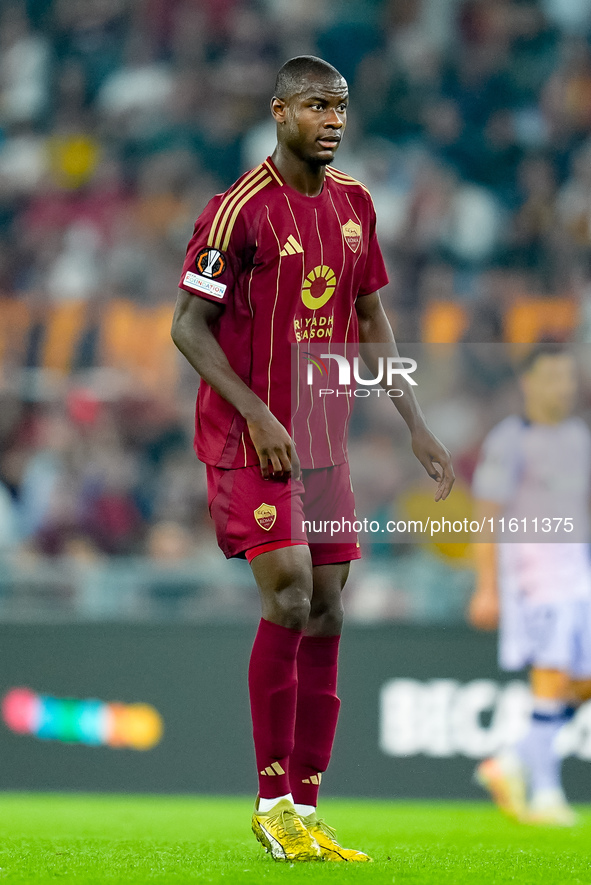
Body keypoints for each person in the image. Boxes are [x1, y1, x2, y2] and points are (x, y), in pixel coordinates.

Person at [172, 55, 454, 862]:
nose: (332, 119)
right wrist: (256, 409)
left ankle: (303, 802)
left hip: (322, 442)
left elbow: (371, 317)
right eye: (315, 106)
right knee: (291, 592)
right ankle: (267, 800)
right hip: (251, 438)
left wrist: (414, 420)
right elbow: (187, 326)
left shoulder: (356, 205)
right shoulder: (237, 211)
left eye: (339, 106)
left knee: (329, 605)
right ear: (278, 112)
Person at [469, 344, 591, 826]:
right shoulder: (510, 440)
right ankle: (545, 794)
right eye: (553, 378)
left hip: (577, 573)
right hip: (534, 577)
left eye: (569, 377)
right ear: (529, 383)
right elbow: (485, 516)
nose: (564, 386)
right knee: (551, 675)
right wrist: (487, 587)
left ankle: (513, 760)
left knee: (579, 682)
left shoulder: (580, 436)